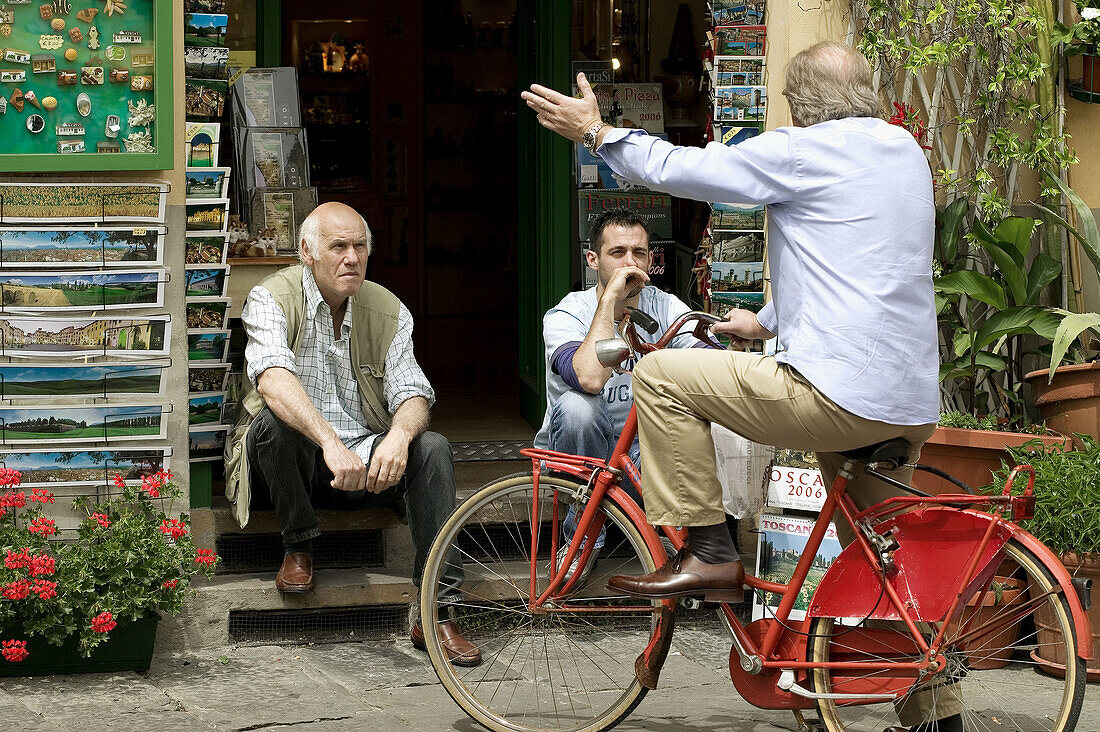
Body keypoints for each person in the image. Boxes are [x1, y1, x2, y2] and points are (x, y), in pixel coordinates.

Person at [523, 42, 951, 731]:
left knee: (662, 374)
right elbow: (866, 263)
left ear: (801, 104)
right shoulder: (902, 150)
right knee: (884, 554)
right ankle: (940, 712)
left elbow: (692, 170)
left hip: (835, 394)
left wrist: (598, 134)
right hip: (904, 402)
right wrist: (769, 320)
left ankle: (712, 551)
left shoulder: (805, 149)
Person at [225, 202, 480, 667]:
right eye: (338, 246)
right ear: (306, 251)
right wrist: (329, 442)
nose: (352, 257)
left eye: (360, 246)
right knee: (270, 427)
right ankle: (298, 546)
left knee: (434, 448)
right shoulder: (270, 298)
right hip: (298, 466)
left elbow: (414, 392)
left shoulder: (387, 309)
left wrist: (399, 438)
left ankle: (437, 609)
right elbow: (274, 380)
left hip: (366, 466)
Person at [535, 207, 707, 584]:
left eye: (639, 253)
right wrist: (611, 301)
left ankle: (680, 543)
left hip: (640, 462)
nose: (631, 264)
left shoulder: (665, 307)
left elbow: (706, 366)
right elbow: (590, 377)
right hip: (578, 461)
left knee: (684, 417)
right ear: (592, 260)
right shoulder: (566, 313)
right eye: (618, 253)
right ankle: (583, 540)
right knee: (580, 407)